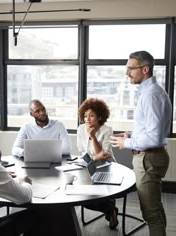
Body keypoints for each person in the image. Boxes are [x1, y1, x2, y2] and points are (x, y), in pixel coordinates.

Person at [110, 51, 172, 236]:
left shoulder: (151, 95)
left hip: (148, 158)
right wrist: (132, 134)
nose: (127, 73)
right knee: (155, 208)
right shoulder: (152, 92)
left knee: (150, 213)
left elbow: (153, 137)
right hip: (151, 156)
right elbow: (152, 129)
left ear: (145, 69)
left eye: (131, 68)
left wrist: (127, 142)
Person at [77, 97, 118, 229]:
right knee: (83, 196)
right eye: (85, 116)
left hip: (106, 167)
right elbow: (82, 152)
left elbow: (104, 155)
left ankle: (110, 209)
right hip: (88, 166)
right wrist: (95, 157)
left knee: (101, 192)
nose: (87, 119)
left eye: (92, 116)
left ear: (100, 117)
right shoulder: (81, 129)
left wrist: (93, 137)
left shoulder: (106, 130)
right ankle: (111, 209)